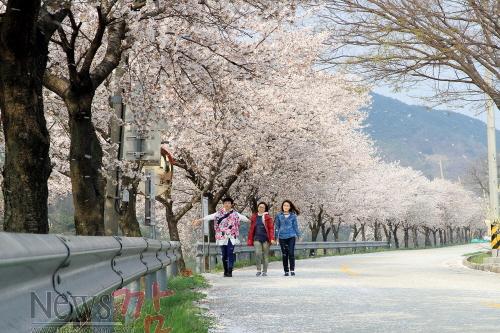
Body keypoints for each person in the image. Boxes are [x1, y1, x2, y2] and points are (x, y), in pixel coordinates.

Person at [194, 197, 249, 277]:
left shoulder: (236, 214)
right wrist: (200, 220)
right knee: (224, 254)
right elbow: (209, 217)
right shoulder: (218, 214)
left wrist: (252, 221)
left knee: (230, 253)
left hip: (231, 236)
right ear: (223, 204)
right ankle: (225, 270)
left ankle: (230, 270)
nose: (227, 204)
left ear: (231, 204)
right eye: (225, 203)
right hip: (222, 237)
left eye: (229, 203)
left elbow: (245, 219)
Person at [247, 202, 275, 277]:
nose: (261, 208)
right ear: (258, 208)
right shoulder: (254, 217)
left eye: (263, 207)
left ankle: (265, 271)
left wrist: (272, 238)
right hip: (256, 238)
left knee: (265, 255)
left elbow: (271, 228)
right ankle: (258, 270)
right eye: (260, 207)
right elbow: (251, 228)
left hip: (266, 238)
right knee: (257, 253)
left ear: (265, 208)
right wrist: (250, 238)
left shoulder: (267, 217)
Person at [275, 200, 301, 276]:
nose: (285, 207)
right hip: (282, 237)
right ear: (282, 206)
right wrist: (276, 237)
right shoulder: (279, 215)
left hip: (291, 236)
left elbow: (295, 226)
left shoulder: (293, 215)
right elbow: (277, 227)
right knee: (284, 254)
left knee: (291, 253)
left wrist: (298, 235)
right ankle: (286, 271)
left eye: (287, 205)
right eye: (284, 205)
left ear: (290, 207)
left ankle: (292, 270)